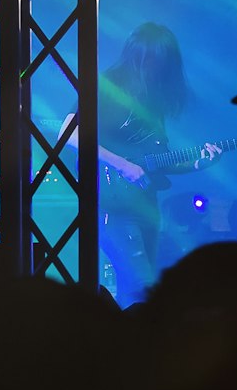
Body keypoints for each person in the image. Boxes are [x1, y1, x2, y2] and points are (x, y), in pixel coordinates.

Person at [84, 23, 221, 305]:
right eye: (155, 60)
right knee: (140, 286)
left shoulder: (154, 99)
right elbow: (69, 134)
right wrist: (123, 165)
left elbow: (156, 161)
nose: (159, 68)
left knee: (140, 292)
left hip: (145, 205)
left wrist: (198, 164)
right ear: (141, 56)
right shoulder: (109, 85)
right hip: (111, 204)